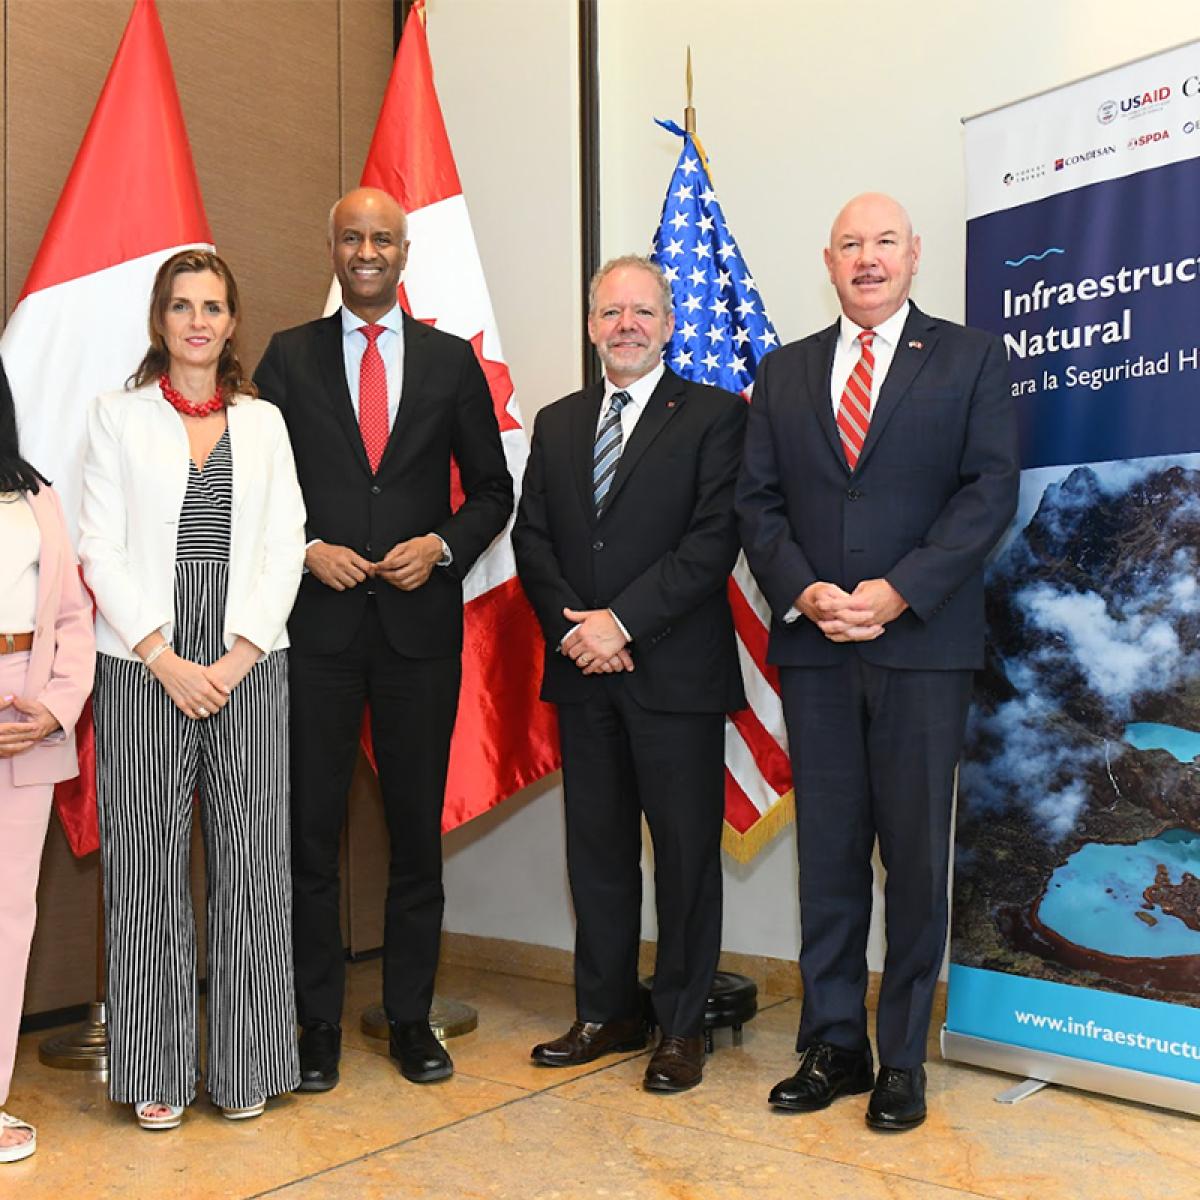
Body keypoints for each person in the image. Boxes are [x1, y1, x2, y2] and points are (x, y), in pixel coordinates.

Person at [736, 193, 1019, 1131]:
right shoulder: (782, 374)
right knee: (828, 863)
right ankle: (833, 1046)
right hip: (816, 650)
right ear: (828, 260)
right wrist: (805, 588)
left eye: (884, 243)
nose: (868, 258)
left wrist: (900, 590)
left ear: (913, 256)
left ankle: (901, 1059)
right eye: (851, 244)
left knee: (912, 861)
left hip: (922, 649)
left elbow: (989, 492)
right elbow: (759, 505)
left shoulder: (972, 358)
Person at [254, 187, 512, 1089]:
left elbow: (492, 489)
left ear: (405, 255)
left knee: (414, 835)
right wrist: (302, 549)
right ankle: (314, 1024)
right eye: (353, 238)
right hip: (313, 634)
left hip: (417, 634)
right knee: (309, 838)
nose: (368, 251)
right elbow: (251, 486)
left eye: (384, 240)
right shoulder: (286, 359)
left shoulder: (449, 361)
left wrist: (441, 545)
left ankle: (411, 1019)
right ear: (332, 248)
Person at [79, 250, 306, 1129]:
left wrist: (237, 654)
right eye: (182, 307)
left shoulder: (266, 423)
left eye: (213, 306)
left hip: (250, 656)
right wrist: (164, 656)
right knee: (144, 869)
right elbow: (99, 545)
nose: (198, 321)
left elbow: (287, 542)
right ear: (160, 321)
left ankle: (246, 1060)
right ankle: (157, 1071)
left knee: (251, 867)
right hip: (143, 664)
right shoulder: (115, 416)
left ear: (233, 321)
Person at [513, 255, 745, 1093]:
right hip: (584, 673)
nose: (626, 325)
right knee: (598, 853)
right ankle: (607, 1010)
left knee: (685, 858)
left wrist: (622, 623)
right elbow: (531, 537)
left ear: (670, 324)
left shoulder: (715, 416)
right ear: (590, 325)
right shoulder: (560, 420)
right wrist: (580, 632)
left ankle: (681, 1026)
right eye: (611, 312)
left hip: (674, 674)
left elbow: (713, 540)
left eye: (642, 311)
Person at [0, 359, 95, 1163]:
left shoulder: (37, 496)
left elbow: (73, 614)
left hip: (26, 715)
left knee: (7, 918)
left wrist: (56, 706)